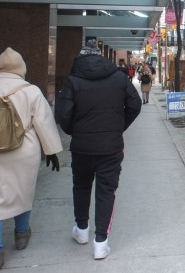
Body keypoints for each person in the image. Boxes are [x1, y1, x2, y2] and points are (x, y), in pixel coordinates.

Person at [55, 40, 141, 260]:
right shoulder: (119, 78)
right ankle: (101, 242)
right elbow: (135, 105)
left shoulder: (73, 81)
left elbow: (62, 115)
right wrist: (117, 128)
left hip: (82, 148)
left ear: (80, 58)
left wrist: (76, 131)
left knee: (81, 186)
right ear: (101, 56)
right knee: (106, 191)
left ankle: (81, 230)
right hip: (111, 148)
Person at [0, 48, 62, 269]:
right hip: (24, 151)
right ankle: (21, 234)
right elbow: (44, 123)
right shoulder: (31, 90)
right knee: (23, 190)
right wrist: (52, 151)